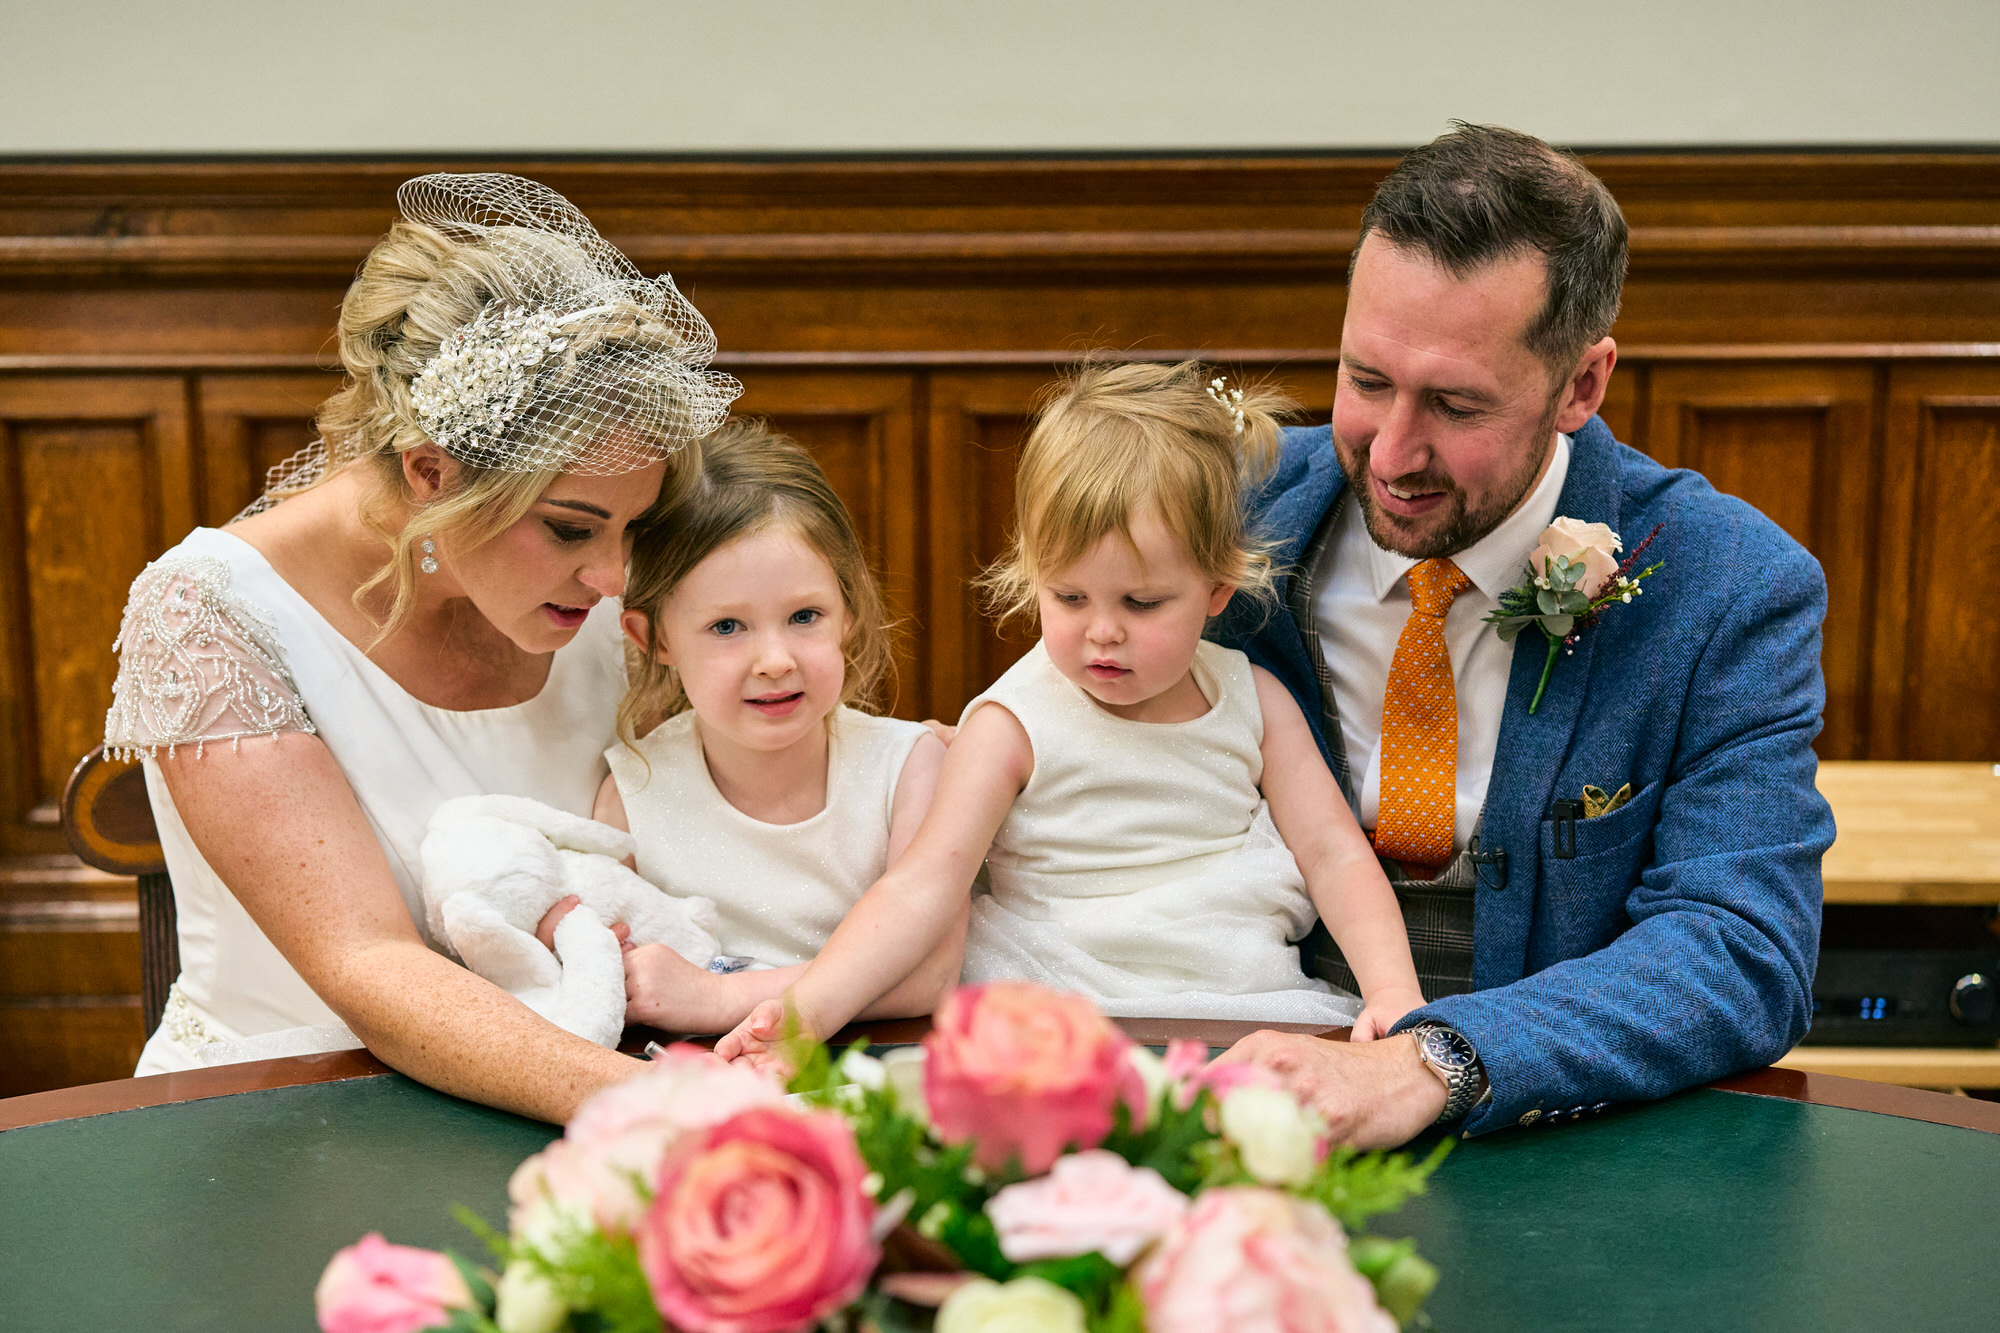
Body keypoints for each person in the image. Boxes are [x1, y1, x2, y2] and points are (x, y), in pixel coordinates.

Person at [1206, 123, 1835, 1146]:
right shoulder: (1223, 520)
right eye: (1365, 381)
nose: (1391, 451)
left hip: (1549, 1132)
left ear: (1579, 386)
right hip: (1228, 1084)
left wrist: (1434, 1059)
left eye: (1454, 404)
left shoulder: (1728, 586)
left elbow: (1740, 949)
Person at [104, 173, 740, 1122]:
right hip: (288, 1109)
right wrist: (680, 1113)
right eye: (571, 529)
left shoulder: (593, 585)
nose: (615, 577)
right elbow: (369, 963)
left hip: (586, 1073)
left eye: (632, 528)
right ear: (431, 471)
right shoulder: (208, 612)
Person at [719, 359, 1427, 1058]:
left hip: (1241, 1008)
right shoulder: (1010, 725)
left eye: (1141, 602)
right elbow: (921, 886)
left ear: (1217, 587)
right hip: (1058, 1012)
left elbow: (1334, 853)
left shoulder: (1254, 701)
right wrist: (806, 1010)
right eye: (1069, 597)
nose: (1103, 631)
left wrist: (1393, 990)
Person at [594, 419, 956, 1031]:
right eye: (727, 627)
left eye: (804, 615)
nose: (776, 661)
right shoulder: (632, 795)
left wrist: (715, 998)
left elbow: (927, 976)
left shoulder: (910, 768)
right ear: (653, 637)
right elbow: (624, 980)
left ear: (847, 612)